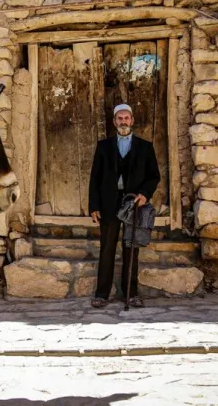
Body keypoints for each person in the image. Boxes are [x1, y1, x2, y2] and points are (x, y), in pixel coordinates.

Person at [88, 104, 160, 308]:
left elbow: (154, 176)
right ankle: (102, 294)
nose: (123, 122)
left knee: (131, 248)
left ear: (132, 120)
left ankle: (131, 293)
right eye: (119, 118)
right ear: (114, 122)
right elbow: (95, 178)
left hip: (133, 204)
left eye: (126, 118)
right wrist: (94, 205)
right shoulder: (103, 146)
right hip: (108, 203)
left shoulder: (145, 147)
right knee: (107, 248)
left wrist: (145, 194)